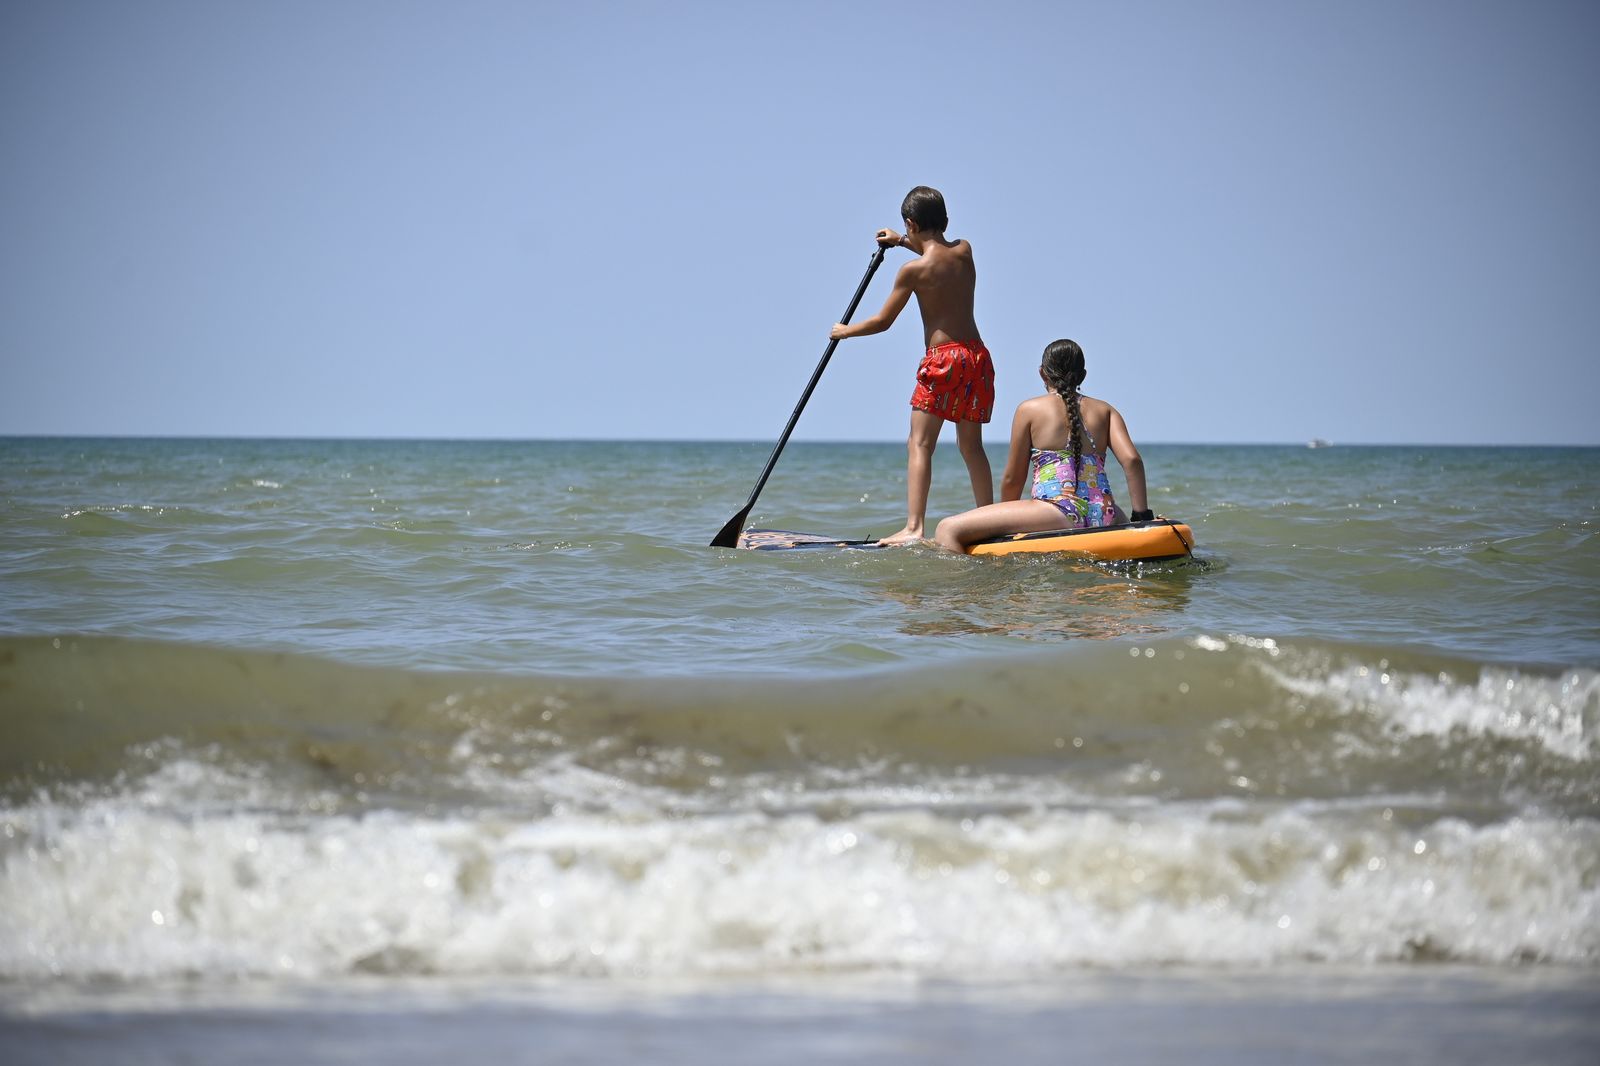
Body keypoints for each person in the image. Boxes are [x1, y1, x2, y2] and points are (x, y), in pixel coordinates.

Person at [830, 186, 994, 545]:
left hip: (943, 360)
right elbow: (936, 250)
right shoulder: (965, 251)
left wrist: (845, 331)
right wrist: (903, 239)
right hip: (976, 357)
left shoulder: (912, 271)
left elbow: (883, 321)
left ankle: (914, 528)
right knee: (972, 446)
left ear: (911, 222)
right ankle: (989, 518)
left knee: (919, 444)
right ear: (945, 219)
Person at [932, 338, 1153, 553]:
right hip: (1106, 512)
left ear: (1042, 372)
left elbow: (1013, 479)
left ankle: (977, 589)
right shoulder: (1106, 410)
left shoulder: (1029, 409)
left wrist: (1005, 525)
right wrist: (1141, 516)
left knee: (947, 529)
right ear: (1083, 375)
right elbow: (1132, 461)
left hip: (1056, 511)